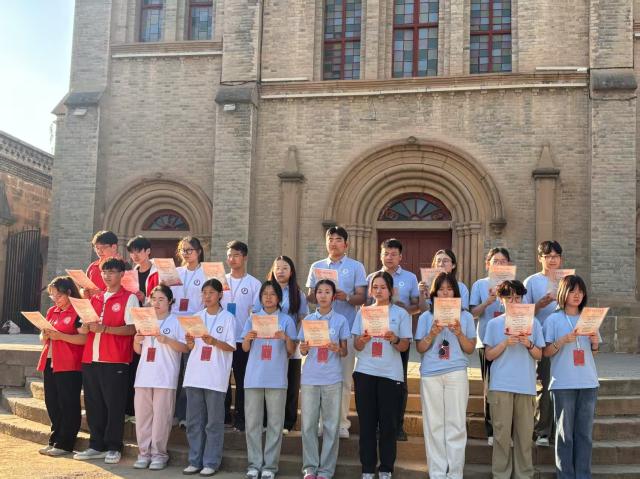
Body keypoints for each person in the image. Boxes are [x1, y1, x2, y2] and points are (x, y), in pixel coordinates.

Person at [74, 257, 138, 464]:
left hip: (115, 360)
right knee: (93, 405)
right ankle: (96, 445)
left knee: (114, 405)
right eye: (104, 272)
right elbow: (82, 328)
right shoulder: (96, 298)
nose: (107, 276)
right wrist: (84, 327)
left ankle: (113, 447)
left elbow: (132, 329)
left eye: (112, 272)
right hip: (90, 358)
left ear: (122, 274)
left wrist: (105, 329)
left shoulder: (129, 298)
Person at [306, 226, 367, 438]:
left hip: (346, 329)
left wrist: (346, 296)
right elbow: (310, 296)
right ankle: (322, 423)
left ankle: (341, 423)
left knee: (343, 379)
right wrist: (321, 293)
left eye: (338, 239)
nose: (333, 243)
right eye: (330, 239)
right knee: (321, 378)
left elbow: (362, 297)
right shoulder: (317, 266)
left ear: (346, 244)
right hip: (319, 331)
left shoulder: (356, 266)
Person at [415, 272, 476, 479]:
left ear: (456, 292)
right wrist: (432, 333)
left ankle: (455, 473)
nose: (445, 293)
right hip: (431, 373)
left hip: (456, 372)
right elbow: (420, 348)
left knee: (456, 424)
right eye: (441, 289)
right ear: (434, 293)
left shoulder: (466, 317)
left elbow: (470, 349)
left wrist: (459, 333)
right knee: (434, 425)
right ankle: (437, 473)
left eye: (449, 289)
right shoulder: (426, 317)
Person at [352, 271, 412, 479]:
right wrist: (362, 340)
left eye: (383, 287)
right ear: (370, 290)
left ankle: (386, 468)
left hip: (390, 374)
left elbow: (404, 346)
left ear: (391, 290)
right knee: (367, 424)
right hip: (365, 372)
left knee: (388, 425)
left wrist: (394, 339)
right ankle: (367, 469)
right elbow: (356, 345)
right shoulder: (363, 312)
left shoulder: (401, 314)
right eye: (375, 287)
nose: (379, 291)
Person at [483, 280, 545, 479]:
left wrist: (528, 343)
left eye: (518, 297)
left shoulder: (534, 323)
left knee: (524, 436)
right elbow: (489, 355)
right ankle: (500, 474)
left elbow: (539, 355)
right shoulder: (494, 324)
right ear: (501, 300)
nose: (514, 301)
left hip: (525, 385)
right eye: (509, 298)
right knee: (501, 436)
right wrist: (505, 343)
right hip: (501, 385)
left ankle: (524, 475)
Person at [543, 275, 600, 479]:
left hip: (588, 382)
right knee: (564, 435)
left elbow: (593, 352)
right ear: (563, 293)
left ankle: (583, 475)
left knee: (584, 435)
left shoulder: (589, 317)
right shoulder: (553, 319)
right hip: (563, 384)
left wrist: (595, 342)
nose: (577, 295)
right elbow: (546, 352)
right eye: (572, 291)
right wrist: (562, 340)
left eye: (580, 291)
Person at [366, 239, 420, 441]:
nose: (389, 257)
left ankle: (397, 425)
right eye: (386, 253)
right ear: (380, 255)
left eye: (393, 254)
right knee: (375, 381)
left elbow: (417, 306)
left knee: (399, 382)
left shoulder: (410, 278)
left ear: (400, 257)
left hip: (399, 337)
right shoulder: (372, 277)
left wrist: (403, 309)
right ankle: (377, 425)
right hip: (374, 339)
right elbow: (365, 305)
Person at [242, 280, 297, 479]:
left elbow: (291, 351)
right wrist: (248, 338)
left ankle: (270, 467)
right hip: (254, 377)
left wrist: (285, 338)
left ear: (279, 298)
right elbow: (245, 349)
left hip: (276, 378)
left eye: (272, 294)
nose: (268, 297)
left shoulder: (286, 320)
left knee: (275, 424)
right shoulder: (253, 318)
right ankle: (254, 464)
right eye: (265, 294)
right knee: (253, 424)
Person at [182, 279, 236, 476]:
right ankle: (194, 460)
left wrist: (214, 341)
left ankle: (211, 462)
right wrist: (189, 342)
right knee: (194, 422)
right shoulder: (196, 317)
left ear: (220, 295)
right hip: (195, 375)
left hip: (215, 376)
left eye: (211, 292)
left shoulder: (228, 318)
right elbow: (191, 347)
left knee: (213, 423)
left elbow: (231, 347)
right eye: (204, 292)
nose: (207, 296)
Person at [132, 285, 188, 470]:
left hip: (165, 376)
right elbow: (138, 350)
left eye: (161, 299)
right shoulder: (145, 320)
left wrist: (167, 340)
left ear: (170, 301)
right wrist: (136, 340)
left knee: (161, 418)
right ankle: (143, 453)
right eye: (153, 299)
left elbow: (185, 348)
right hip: (144, 375)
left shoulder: (176, 322)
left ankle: (159, 454)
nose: (156, 303)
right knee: (143, 418)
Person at [298, 279, 349, 479]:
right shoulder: (309, 320)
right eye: (320, 291)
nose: (323, 295)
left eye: (327, 292)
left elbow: (344, 351)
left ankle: (326, 470)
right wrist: (303, 348)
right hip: (310, 378)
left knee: (330, 426)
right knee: (308, 425)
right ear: (315, 295)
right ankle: (310, 468)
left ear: (333, 296)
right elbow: (303, 349)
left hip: (332, 378)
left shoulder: (341, 320)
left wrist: (337, 349)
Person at [37, 276, 86, 457]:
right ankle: (54, 439)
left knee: (68, 403)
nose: (55, 299)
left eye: (59, 295)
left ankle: (65, 443)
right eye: (52, 296)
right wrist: (45, 334)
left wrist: (60, 336)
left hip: (70, 363)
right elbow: (42, 338)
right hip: (50, 360)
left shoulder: (78, 311)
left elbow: (84, 339)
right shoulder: (52, 311)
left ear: (69, 293)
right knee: (52, 402)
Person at [523, 240, 564, 447]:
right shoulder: (531, 282)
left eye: (555, 256)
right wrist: (539, 305)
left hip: (564, 339)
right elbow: (522, 313)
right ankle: (542, 431)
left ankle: (561, 430)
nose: (552, 260)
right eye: (548, 256)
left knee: (565, 385)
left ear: (561, 259)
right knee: (545, 385)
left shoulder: (567, 280)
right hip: (543, 340)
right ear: (540, 258)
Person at [469, 247, 512, 445]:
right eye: (496, 261)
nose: (499, 264)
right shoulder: (479, 285)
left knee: (509, 385)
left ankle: (509, 428)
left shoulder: (514, 285)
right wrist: (488, 302)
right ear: (488, 264)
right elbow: (473, 314)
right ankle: (491, 430)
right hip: (486, 341)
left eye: (503, 261)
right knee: (490, 386)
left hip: (511, 342)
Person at [221, 240, 262, 432]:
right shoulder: (221, 281)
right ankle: (224, 416)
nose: (232, 259)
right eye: (229, 255)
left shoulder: (254, 283)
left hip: (242, 340)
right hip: (222, 339)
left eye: (236, 255)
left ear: (244, 257)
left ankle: (241, 418)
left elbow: (256, 313)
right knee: (222, 379)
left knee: (242, 380)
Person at [266, 255, 309, 434]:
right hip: (270, 345)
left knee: (291, 384)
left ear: (291, 272)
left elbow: (302, 319)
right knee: (270, 383)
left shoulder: (298, 294)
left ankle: (287, 422)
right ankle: (268, 421)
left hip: (291, 344)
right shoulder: (266, 291)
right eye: (278, 268)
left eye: (285, 268)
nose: (280, 271)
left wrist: (296, 340)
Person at [170, 236, 207, 425]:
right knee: (173, 370)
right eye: (183, 250)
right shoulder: (175, 273)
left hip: (194, 326)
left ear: (198, 251)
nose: (186, 253)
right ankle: (172, 413)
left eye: (189, 250)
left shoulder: (206, 273)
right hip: (174, 324)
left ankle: (185, 414)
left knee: (188, 370)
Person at [83, 230, 120, 297]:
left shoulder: (122, 267)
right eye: (97, 248)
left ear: (114, 247)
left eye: (103, 248)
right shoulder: (92, 266)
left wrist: (100, 294)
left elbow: (126, 293)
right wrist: (84, 292)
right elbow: (83, 288)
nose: (99, 251)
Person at [126, 235, 159, 303]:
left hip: (152, 309)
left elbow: (163, 297)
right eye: (131, 252)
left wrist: (144, 299)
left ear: (148, 251)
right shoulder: (133, 273)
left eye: (138, 251)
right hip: (134, 308)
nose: (135, 255)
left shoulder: (158, 272)